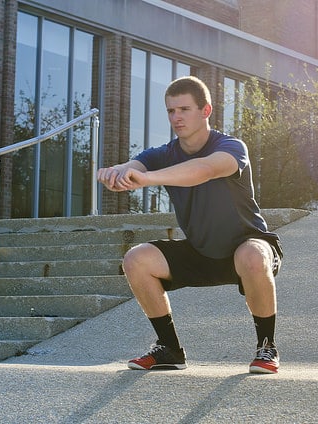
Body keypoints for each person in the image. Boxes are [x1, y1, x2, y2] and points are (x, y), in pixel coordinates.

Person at [97, 76, 283, 374]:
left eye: (184, 109)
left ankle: (266, 347)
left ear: (206, 110)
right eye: (171, 111)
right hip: (202, 252)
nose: (176, 117)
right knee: (136, 259)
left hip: (247, 246)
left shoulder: (231, 147)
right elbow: (133, 166)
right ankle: (169, 349)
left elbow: (203, 169)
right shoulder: (162, 154)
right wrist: (115, 173)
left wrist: (149, 179)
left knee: (252, 255)